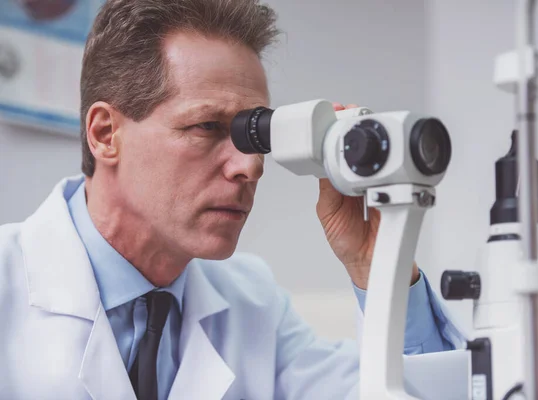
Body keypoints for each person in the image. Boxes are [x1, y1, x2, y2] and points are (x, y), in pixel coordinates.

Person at [0, 0, 464, 399]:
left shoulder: (253, 302)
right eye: (207, 127)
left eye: (252, 135)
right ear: (106, 134)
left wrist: (379, 266)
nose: (250, 166)